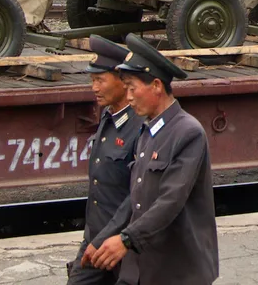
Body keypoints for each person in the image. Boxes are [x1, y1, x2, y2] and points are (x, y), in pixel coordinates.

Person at [88, 34, 218, 285]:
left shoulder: (188, 132)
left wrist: (126, 240)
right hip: (142, 266)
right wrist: (102, 239)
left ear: (156, 86)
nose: (128, 97)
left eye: (132, 88)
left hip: (178, 270)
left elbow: (170, 200)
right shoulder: (148, 131)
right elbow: (135, 198)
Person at [68, 35, 146, 285]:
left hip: (123, 244)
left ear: (123, 82)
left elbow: (137, 194)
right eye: (92, 81)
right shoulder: (108, 116)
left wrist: (111, 237)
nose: (94, 88)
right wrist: (93, 238)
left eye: (100, 80)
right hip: (95, 239)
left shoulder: (140, 126)